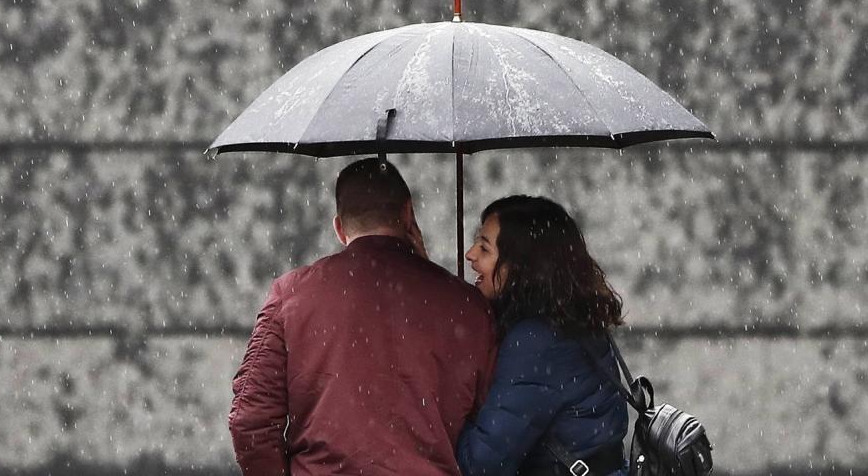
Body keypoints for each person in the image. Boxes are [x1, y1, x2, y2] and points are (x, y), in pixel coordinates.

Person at [229, 157, 496, 476]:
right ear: (408, 213)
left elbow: (250, 421)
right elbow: (491, 428)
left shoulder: (292, 294)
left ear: (339, 228)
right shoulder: (467, 305)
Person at [457, 195, 629, 476]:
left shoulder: (535, 341)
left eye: (485, 248)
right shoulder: (571, 317)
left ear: (520, 266)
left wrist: (440, 413)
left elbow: (482, 464)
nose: (470, 254)